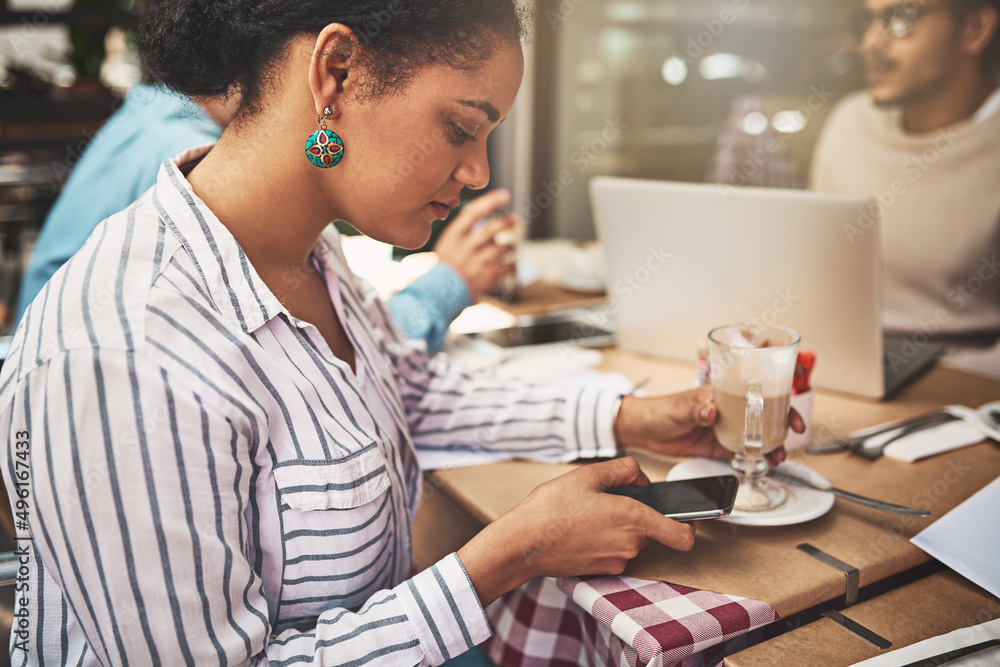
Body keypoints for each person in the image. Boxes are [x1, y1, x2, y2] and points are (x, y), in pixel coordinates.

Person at [0, 2, 797, 664]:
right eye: (461, 127)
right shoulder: (129, 350)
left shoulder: (311, 251)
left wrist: (635, 416)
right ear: (336, 73)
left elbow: (409, 385)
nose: (480, 171)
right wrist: (504, 557)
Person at [15, 85, 515, 354]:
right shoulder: (198, 179)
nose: (476, 172)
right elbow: (304, 356)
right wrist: (447, 285)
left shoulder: (154, 113)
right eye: (459, 128)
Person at [810, 0, 1000, 372]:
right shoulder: (849, 122)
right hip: (847, 367)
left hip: (966, 393)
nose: (870, 42)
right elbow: (817, 275)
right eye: (868, 20)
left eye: (900, 18)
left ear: (974, 29)